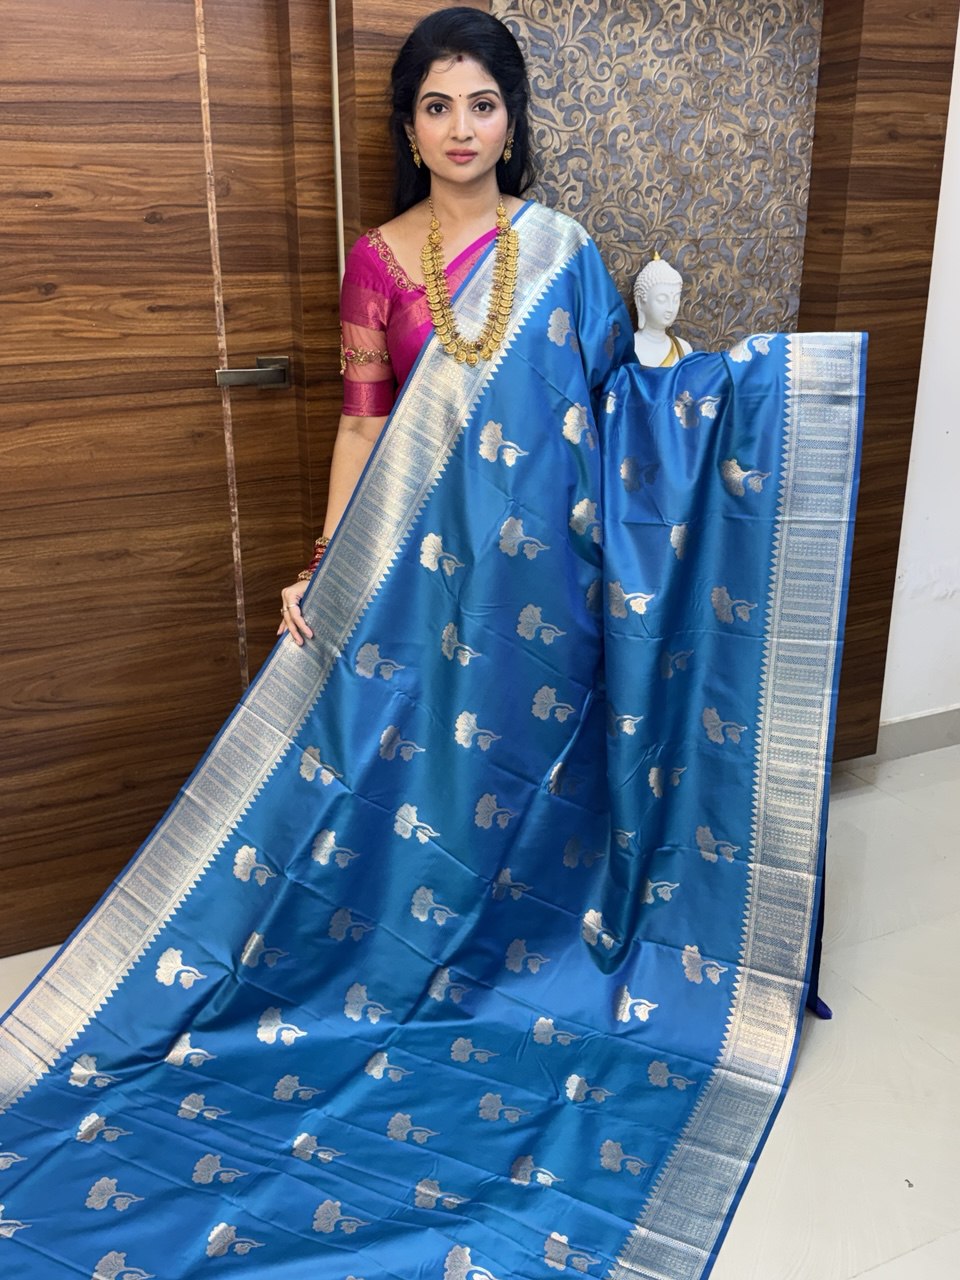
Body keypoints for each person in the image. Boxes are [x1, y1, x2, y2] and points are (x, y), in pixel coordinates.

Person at [0, 10, 864, 1280]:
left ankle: (522, 963)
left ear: (513, 119)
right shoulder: (378, 260)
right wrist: (324, 563)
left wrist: (729, 391)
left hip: (547, 591)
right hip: (416, 591)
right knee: (403, 785)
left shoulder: (562, 252)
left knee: (535, 784)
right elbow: (363, 426)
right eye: (437, 106)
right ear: (408, 128)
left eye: (483, 104)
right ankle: (387, 972)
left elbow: (615, 414)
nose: (462, 129)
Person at [632, 252, 693, 367]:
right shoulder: (630, 348)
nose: (670, 308)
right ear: (640, 302)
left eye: (675, 300)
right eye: (662, 299)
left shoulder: (684, 348)